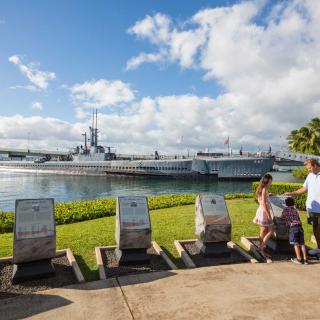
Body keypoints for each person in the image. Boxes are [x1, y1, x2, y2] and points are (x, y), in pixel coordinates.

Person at [284, 159, 320, 255]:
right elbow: (304, 188)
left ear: (315, 165)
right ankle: (319, 248)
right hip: (312, 208)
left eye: (309, 168)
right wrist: (292, 193)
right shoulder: (310, 175)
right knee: (315, 227)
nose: (308, 170)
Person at [281, 197, 308, 264]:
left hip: (293, 228)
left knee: (295, 244)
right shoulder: (295, 210)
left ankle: (299, 259)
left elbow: (282, 217)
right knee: (302, 243)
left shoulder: (285, 210)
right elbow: (299, 219)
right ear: (293, 203)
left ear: (286, 204)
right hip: (300, 227)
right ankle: (305, 259)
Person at [253, 173, 274, 258]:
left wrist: (269, 195)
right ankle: (261, 249)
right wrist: (269, 216)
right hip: (264, 211)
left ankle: (261, 248)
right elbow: (265, 204)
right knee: (268, 230)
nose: (271, 182)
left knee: (264, 230)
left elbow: (262, 199)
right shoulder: (264, 189)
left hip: (261, 210)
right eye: (271, 180)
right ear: (268, 180)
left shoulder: (261, 188)